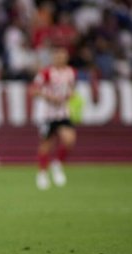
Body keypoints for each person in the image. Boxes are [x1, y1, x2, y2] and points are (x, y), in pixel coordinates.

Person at [31, 46, 77, 190]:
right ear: (53, 58)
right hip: (47, 114)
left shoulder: (71, 72)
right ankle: (42, 173)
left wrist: (70, 94)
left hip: (63, 113)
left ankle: (57, 164)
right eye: (57, 56)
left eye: (62, 56)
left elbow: (71, 88)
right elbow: (33, 90)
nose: (60, 58)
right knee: (47, 144)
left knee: (70, 140)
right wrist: (49, 97)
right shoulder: (46, 73)